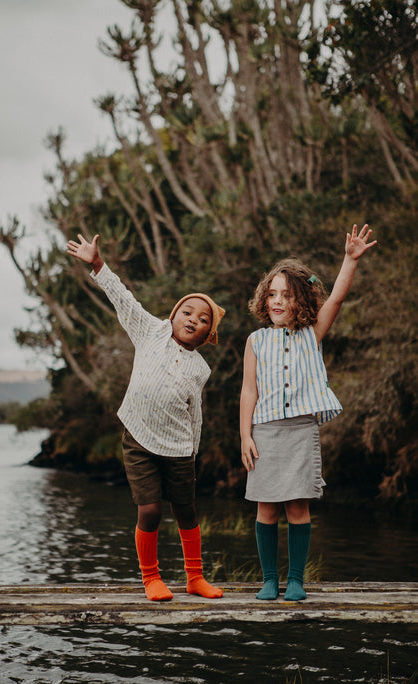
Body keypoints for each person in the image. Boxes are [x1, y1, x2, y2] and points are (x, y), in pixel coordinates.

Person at [66, 233, 225, 602]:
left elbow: (194, 412)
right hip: (138, 437)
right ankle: (151, 578)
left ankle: (195, 577)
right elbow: (123, 298)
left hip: (179, 447)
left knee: (186, 510)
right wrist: (97, 264)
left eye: (202, 320)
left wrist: (194, 452)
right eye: (187, 312)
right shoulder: (150, 330)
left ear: (207, 334)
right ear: (173, 315)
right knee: (150, 510)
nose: (192, 320)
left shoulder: (200, 368)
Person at [240, 224, 377, 601]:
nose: (278, 301)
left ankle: (296, 580)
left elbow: (335, 299)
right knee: (266, 508)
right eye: (272, 294)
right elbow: (248, 390)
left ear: (301, 299)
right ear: (264, 300)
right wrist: (245, 436)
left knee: (297, 507)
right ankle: (270, 580)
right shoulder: (255, 340)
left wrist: (349, 259)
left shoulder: (311, 333)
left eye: (287, 294)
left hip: (301, 431)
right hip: (264, 432)